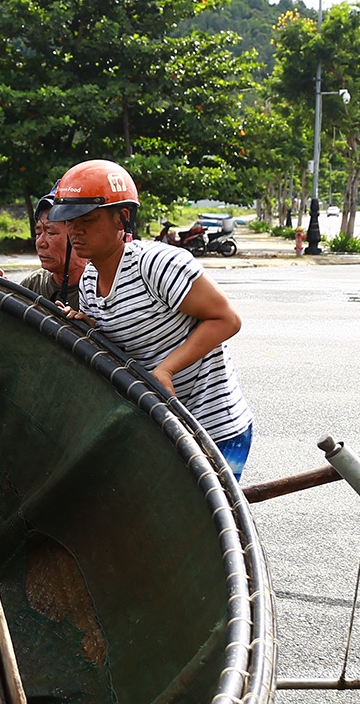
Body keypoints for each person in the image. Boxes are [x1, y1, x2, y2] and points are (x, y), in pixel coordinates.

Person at [52, 159, 255, 478]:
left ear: (122, 217)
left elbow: (227, 319)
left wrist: (167, 369)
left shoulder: (156, 264)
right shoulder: (89, 281)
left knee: (208, 511)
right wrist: (89, 329)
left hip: (213, 428)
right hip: (163, 429)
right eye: (68, 220)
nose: (74, 230)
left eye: (86, 219)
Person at [18, 194, 86, 310]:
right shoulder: (33, 285)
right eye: (38, 233)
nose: (40, 243)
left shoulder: (98, 291)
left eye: (51, 233)